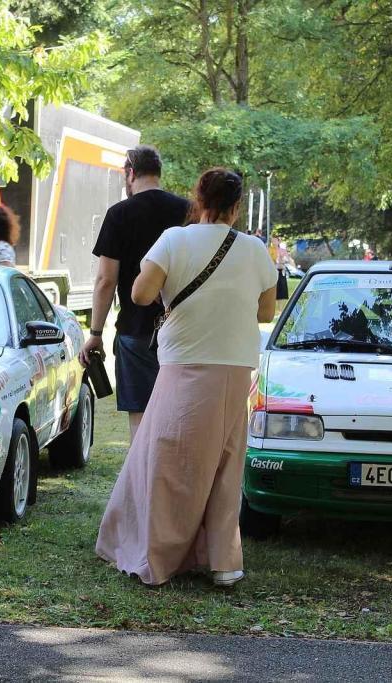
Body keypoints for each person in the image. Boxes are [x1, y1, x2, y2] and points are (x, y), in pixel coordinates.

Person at [96, 167, 278, 588]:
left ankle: (159, 554)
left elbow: (141, 294)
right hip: (235, 365)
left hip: (183, 362)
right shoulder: (254, 249)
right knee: (226, 463)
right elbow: (266, 311)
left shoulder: (174, 240)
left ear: (199, 200)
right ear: (236, 206)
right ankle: (223, 561)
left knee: (168, 457)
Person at [80, 145, 190, 443]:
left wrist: (95, 333)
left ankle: (142, 471)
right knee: (179, 416)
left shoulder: (119, 214)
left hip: (135, 330)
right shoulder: (187, 211)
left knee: (141, 418)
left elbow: (106, 280)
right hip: (183, 330)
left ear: (130, 173)